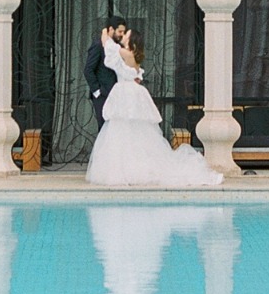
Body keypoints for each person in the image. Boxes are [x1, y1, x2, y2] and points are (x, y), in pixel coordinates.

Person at [86, 27, 223, 188]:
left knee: (123, 129)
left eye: (126, 35)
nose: (123, 36)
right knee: (131, 131)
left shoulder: (127, 54)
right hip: (131, 93)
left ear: (132, 43)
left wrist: (104, 32)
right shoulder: (130, 57)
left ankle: (127, 169)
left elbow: (109, 47)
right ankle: (132, 167)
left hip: (126, 93)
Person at [84, 15, 128, 128]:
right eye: (120, 31)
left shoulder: (118, 46)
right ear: (111, 29)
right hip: (103, 95)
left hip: (117, 94)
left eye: (124, 32)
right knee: (104, 128)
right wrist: (97, 91)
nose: (122, 34)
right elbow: (88, 69)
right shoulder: (98, 45)